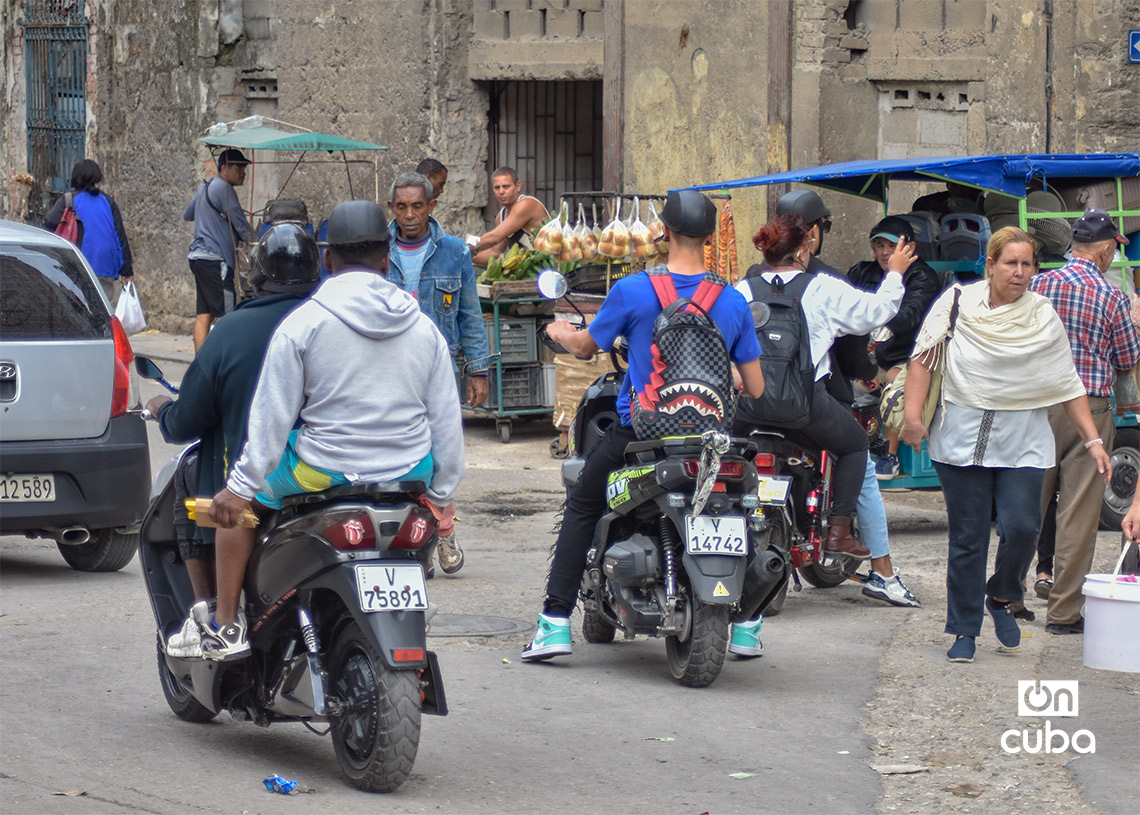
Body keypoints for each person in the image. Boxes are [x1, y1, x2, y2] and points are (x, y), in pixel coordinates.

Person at [202, 200, 466, 660]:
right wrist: (441, 493)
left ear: (327, 260)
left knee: (237, 512)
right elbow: (446, 423)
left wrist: (239, 488)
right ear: (386, 259)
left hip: (323, 472)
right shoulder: (424, 330)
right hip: (409, 474)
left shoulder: (303, 324)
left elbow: (271, 421)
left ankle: (226, 624)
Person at [522, 190, 765, 662]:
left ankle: (554, 623)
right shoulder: (733, 300)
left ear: (665, 232)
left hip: (643, 435)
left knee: (583, 502)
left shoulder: (632, 291)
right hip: (709, 441)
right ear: (710, 237)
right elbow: (754, 386)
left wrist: (558, 331)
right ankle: (748, 625)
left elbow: (586, 347)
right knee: (740, 507)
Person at [899, 227, 1111, 664]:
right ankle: (964, 628)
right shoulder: (957, 302)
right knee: (968, 538)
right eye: (1010, 263)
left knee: (1022, 529)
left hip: (1023, 442)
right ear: (991, 265)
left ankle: (1001, 595)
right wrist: (914, 418)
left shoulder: (1042, 315)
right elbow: (923, 359)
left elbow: (1067, 382)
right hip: (960, 440)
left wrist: (1093, 440)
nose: (1019, 272)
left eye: (1026, 264)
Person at [146, 223, 322, 657]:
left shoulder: (234, 330)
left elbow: (185, 421)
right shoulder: (332, 321)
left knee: (195, 480)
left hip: (273, 477)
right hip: (343, 469)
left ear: (258, 277)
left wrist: (163, 410)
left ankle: (215, 616)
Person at [737, 213, 919, 605]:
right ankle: (838, 531)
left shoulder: (742, 290)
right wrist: (895, 273)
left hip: (748, 408)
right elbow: (878, 311)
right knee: (854, 445)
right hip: (804, 406)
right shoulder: (821, 288)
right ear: (803, 249)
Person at [1028, 209, 1139, 635]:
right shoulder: (1112, 296)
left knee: (1026, 504)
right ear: (1107, 248)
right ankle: (1063, 613)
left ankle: (1008, 598)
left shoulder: (1039, 285)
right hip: (1089, 411)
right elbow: (1127, 359)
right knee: (1078, 512)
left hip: (1036, 405)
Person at [388, 171, 493, 575]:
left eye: (417, 206)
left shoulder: (454, 252)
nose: (409, 215)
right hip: (391, 369)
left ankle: (443, 531)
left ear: (431, 206)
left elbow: (470, 314)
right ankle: (411, 537)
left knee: (441, 455)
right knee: (399, 455)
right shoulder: (379, 250)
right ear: (392, 208)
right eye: (401, 207)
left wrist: (478, 369)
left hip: (440, 369)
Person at [847, 216, 942, 480]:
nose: (885, 252)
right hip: (867, 356)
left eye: (892, 246)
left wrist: (893, 278)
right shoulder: (862, 272)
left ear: (910, 247)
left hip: (907, 358)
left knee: (893, 378)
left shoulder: (922, 277)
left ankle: (888, 455)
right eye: (879, 245)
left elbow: (907, 318)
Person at [183, 148, 252, 353]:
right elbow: (241, 226)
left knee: (204, 315)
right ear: (224, 168)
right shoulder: (224, 189)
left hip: (198, 257)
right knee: (226, 314)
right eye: (239, 168)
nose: (243, 173)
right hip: (216, 260)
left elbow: (188, 214)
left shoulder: (204, 187)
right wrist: (258, 243)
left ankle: (200, 362)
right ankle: (223, 361)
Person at [43, 159, 133, 304]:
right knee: (103, 308)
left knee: (78, 308)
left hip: (79, 265)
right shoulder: (108, 201)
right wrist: (127, 270)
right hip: (105, 265)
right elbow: (120, 236)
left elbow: (50, 223)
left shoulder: (69, 200)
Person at [470, 166, 548, 266]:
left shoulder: (526, 204)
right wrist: (465, 256)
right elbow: (495, 253)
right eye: (497, 188)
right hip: (528, 270)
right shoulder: (500, 217)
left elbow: (495, 237)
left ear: (518, 186)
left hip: (550, 267)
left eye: (506, 187)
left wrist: (463, 247)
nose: (501, 192)